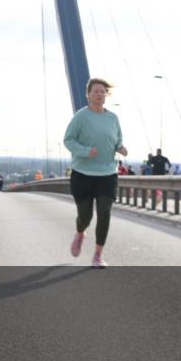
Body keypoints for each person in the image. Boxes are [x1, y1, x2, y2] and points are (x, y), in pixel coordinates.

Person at [63, 77, 127, 269]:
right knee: (85, 216)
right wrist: (85, 151)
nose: (99, 94)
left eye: (102, 91)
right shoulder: (81, 117)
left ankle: (98, 255)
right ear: (88, 95)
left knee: (104, 213)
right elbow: (68, 140)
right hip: (83, 174)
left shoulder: (113, 118)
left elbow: (118, 140)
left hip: (107, 173)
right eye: (96, 91)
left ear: (106, 95)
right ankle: (80, 232)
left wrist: (121, 148)